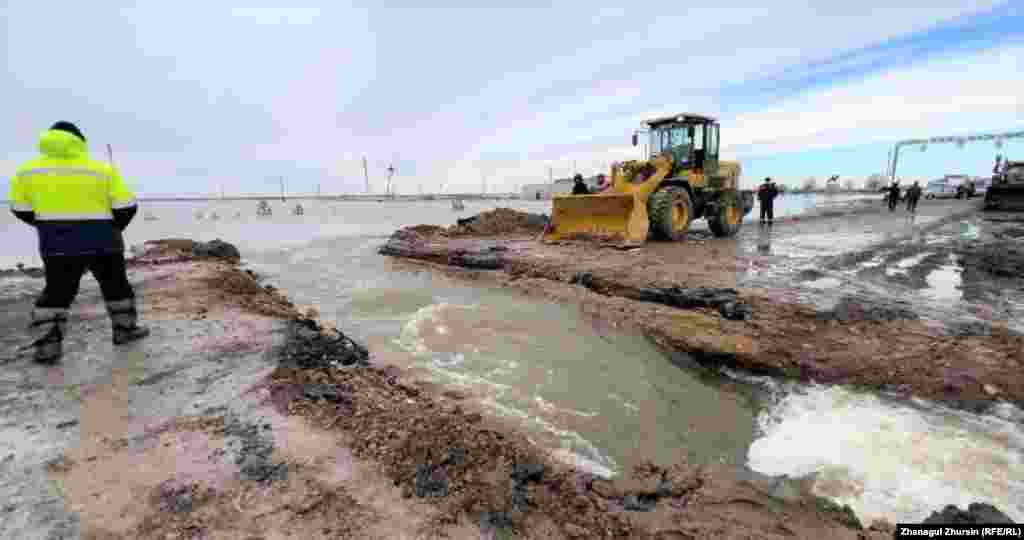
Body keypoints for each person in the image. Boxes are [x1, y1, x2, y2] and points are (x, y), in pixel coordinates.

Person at [8, 121, 149, 363]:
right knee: (116, 286)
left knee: (57, 292)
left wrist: (47, 225)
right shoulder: (101, 169)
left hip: (57, 243)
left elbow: (19, 208)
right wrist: (115, 227)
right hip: (104, 241)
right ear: (80, 141)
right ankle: (124, 331)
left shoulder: (27, 171)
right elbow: (126, 206)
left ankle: (48, 347)